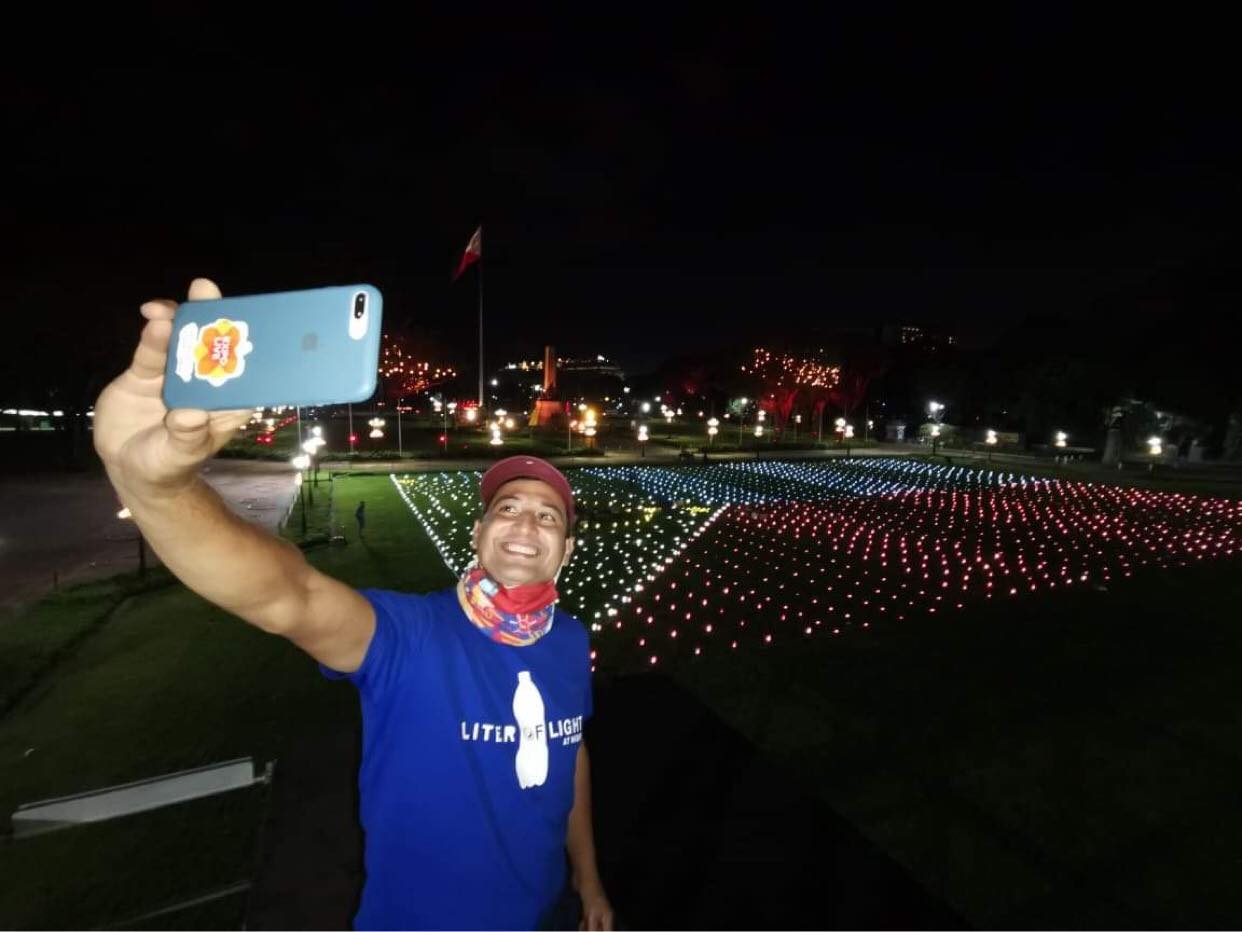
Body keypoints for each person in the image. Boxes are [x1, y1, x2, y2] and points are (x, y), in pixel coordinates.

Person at [93, 278, 614, 931]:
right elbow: (289, 594)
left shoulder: (568, 641)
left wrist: (588, 881)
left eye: (548, 518)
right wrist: (158, 491)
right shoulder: (410, 636)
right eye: (507, 509)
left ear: (564, 550)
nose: (527, 524)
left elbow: (573, 756)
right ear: (478, 535)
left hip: (545, 913)